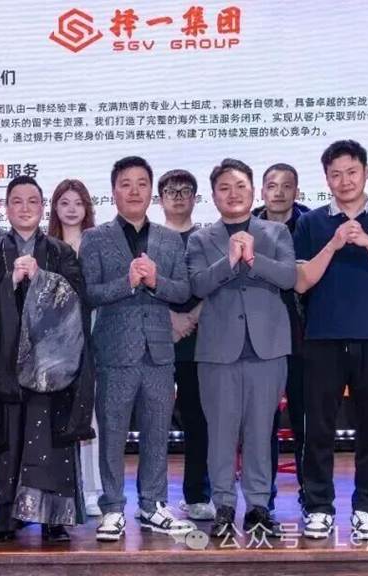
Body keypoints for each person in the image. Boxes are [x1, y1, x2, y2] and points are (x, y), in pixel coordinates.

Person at [0, 176, 95, 543]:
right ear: (6, 208)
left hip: (51, 367)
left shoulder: (60, 253)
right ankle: (5, 520)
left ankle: (53, 519)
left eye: (32, 201)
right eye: (16, 201)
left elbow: (78, 301)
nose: (24, 208)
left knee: (50, 442)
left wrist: (43, 280)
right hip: (3, 367)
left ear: (42, 207)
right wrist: (9, 282)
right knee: (7, 443)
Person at [294, 140, 368, 542]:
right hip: (322, 339)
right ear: (325, 178)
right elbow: (301, 282)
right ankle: (318, 508)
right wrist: (334, 243)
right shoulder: (311, 223)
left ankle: (366, 508)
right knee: (318, 430)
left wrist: (367, 241)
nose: (344, 181)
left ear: (364, 172)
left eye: (351, 172)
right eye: (335, 174)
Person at [80, 156, 194, 542]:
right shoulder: (95, 238)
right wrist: (126, 283)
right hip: (114, 353)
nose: (134, 191)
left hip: (159, 353)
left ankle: (153, 505)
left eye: (142, 183)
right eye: (126, 184)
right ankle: (113, 507)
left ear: (151, 192)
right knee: (112, 433)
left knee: (157, 432)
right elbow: (88, 293)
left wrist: (157, 280)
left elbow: (183, 291)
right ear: (113, 191)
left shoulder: (169, 239)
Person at [188, 159, 296, 539]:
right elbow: (197, 285)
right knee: (220, 433)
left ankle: (258, 506)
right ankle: (223, 505)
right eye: (224, 188)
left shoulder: (276, 232)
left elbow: (289, 277)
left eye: (240, 186)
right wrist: (229, 261)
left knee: (260, 431)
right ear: (213, 195)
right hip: (218, 351)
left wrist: (253, 258)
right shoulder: (201, 239)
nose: (233, 194)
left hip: (268, 348)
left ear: (254, 191)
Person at [158, 169, 213, 522]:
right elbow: (141, 284)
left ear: (195, 197)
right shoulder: (149, 238)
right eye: (171, 191)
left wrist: (190, 318)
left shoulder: (206, 239)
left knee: (198, 422)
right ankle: (153, 498)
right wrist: (171, 320)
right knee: (154, 424)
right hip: (157, 342)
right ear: (160, 198)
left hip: (198, 343)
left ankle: (197, 495)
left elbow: (216, 285)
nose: (178, 197)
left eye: (185, 191)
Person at [255, 163, 309, 513]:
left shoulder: (312, 225)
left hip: (305, 337)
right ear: (262, 191)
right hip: (259, 337)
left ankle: (310, 495)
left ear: (296, 191)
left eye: (286, 186)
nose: (279, 192)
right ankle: (263, 497)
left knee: (306, 419)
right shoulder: (246, 227)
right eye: (272, 185)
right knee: (262, 423)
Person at [47, 178, 101, 517]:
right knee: (59, 415)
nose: (71, 209)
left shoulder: (98, 243)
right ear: (55, 207)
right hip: (56, 341)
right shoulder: (45, 246)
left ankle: (93, 490)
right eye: (64, 203)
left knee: (91, 415)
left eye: (78, 203)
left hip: (96, 331)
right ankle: (63, 488)